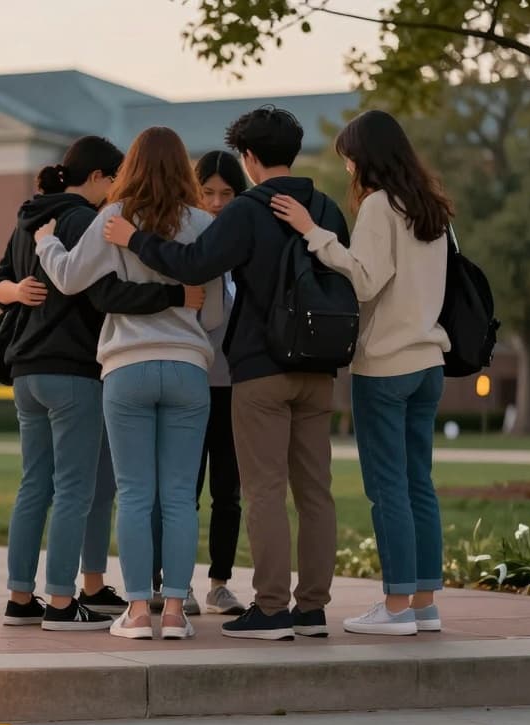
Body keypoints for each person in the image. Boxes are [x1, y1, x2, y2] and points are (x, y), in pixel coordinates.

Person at [103, 106, 351, 641]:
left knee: (264, 489)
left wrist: (133, 239)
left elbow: (194, 265)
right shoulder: (326, 207)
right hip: (320, 368)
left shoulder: (247, 209)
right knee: (316, 492)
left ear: (250, 157)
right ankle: (312, 609)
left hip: (261, 368)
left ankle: (270, 608)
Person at [0, 135, 203, 631]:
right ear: (101, 178)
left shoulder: (30, 218)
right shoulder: (87, 219)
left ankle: (21, 597)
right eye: (112, 181)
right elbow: (106, 292)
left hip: (26, 369)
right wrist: (176, 293)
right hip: (73, 369)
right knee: (78, 489)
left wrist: (15, 290)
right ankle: (64, 602)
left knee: (34, 485)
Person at [37, 127, 225, 641]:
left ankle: (138, 612)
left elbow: (71, 279)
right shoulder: (206, 223)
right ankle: (175, 612)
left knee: (135, 494)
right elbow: (215, 312)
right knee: (181, 496)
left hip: (126, 367)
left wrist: (46, 243)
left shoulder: (113, 217)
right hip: (188, 366)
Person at [269, 109, 453, 636]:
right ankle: (423, 603)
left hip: (387, 367)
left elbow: (367, 281)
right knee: (420, 483)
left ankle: (395, 608)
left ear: (366, 157)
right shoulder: (431, 209)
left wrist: (314, 234)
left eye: (349, 158)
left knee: (388, 486)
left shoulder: (379, 206)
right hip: (428, 364)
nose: (348, 168)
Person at [191, 151, 248, 617]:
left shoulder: (249, 249)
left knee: (228, 492)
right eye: (207, 193)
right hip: (190, 382)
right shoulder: (186, 244)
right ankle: (174, 584)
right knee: (183, 490)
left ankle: (219, 583)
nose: (216, 203)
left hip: (235, 386)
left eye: (226, 194)